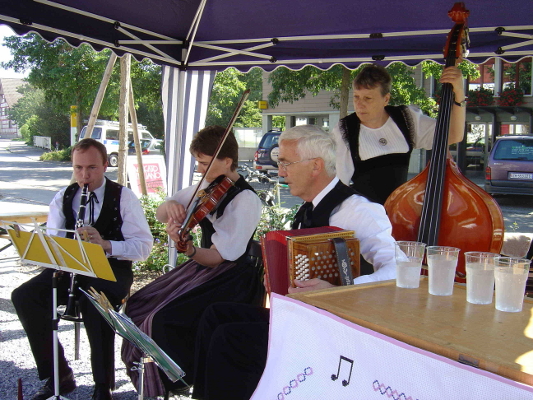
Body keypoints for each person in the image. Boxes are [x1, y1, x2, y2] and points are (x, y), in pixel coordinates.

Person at [191, 124, 397, 400]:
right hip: (305, 321)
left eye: (286, 163)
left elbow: (399, 270)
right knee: (215, 315)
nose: (281, 171)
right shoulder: (308, 208)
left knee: (230, 340)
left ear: (315, 166)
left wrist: (338, 291)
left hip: (337, 333)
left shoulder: (358, 210)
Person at [121, 126, 264, 398]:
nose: (198, 169)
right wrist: (172, 206)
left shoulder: (245, 200)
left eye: (204, 162)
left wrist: (188, 250)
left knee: (160, 319)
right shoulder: (207, 187)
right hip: (204, 267)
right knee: (138, 304)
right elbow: (164, 213)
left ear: (227, 161)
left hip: (231, 276)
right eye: (197, 161)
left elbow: (216, 257)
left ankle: (176, 380)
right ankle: (152, 383)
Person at [11, 138, 154, 400]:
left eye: (92, 168)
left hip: (110, 270)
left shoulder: (123, 197)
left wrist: (106, 244)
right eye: (78, 168)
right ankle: (58, 375)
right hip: (70, 268)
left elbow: (144, 247)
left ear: (104, 165)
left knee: (94, 300)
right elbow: (54, 240)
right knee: (24, 296)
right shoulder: (63, 197)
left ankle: (103, 386)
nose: (84, 175)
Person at [331, 64, 466, 204]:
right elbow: (339, 184)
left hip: (402, 215)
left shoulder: (406, 119)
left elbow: (453, 135)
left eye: (368, 98)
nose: (359, 104)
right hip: (366, 218)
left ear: (386, 99)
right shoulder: (345, 130)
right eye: (356, 97)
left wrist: (459, 91)